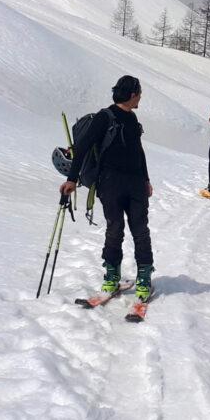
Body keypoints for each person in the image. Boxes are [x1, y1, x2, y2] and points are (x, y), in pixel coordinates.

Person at [61, 75, 155, 299]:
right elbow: (82, 147)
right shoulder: (105, 117)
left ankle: (144, 277)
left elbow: (138, 152)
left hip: (135, 183)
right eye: (139, 93)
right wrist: (72, 179)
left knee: (140, 230)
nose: (141, 97)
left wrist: (146, 179)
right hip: (110, 182)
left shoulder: (133, 119)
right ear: (133, 95)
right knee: (115, 229)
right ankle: (112, 276)